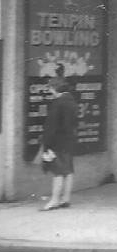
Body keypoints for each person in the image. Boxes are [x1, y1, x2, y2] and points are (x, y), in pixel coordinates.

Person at [39, 64, 78, 211]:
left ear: (55, 88)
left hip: (57, 142)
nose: (50, 92)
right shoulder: (72, 101)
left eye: (50, 88)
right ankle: (66, 199)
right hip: (69, 140)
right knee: (68, 170)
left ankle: (54, 201)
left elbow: (52, 127)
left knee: (58, 172)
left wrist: (47, 145)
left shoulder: (57, 103)